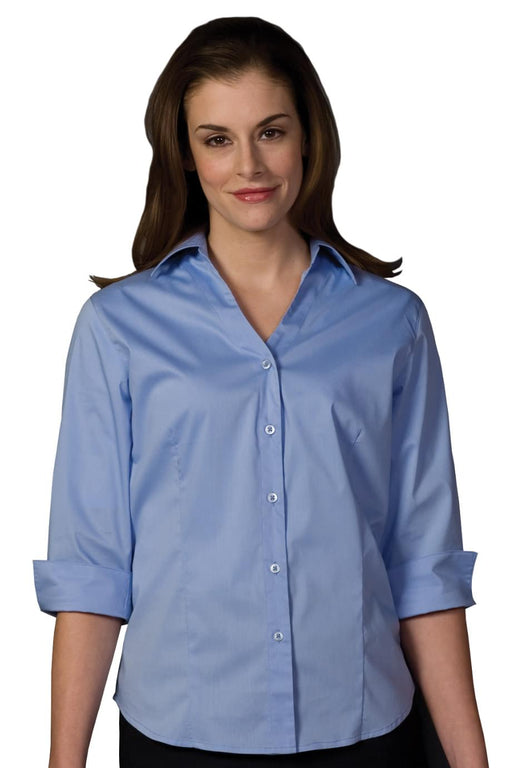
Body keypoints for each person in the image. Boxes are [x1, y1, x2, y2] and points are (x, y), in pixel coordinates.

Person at [33, 16, 489, 768]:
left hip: (366, 727)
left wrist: (472, 759)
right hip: (179, 734)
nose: (249, 164)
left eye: (270, 132)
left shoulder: (391, 323)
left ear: (308, 137)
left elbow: (422, 560)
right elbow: (92, 566)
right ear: (186, 155)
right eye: (217, 139)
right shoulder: (117, 328)